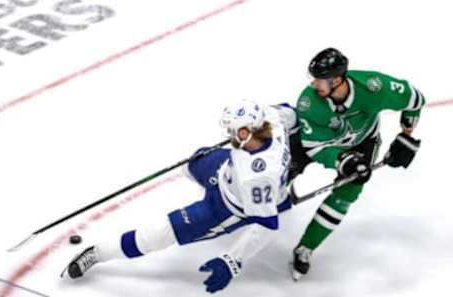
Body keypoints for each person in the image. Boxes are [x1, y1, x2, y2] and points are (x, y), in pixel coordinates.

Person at [61, 100, 297, 294]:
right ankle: (278, 194)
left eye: (231, 131)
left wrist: (232, 261)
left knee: (158, 235)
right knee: (190, 164)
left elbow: (267, 225)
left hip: (225, 208)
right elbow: (290, 112)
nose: (228, 134)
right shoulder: (272, 120)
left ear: (245, 133)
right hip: (224, 168)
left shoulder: (256, 176)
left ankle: (97, 253)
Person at [288, 48, 425, 281]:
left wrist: (407, 134)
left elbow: (415, 100)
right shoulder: (308, 102)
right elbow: (314, 147)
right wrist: (341, 160)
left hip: (362, 142)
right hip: (319, 141)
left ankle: (306, 247)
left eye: (320, 80)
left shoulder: (375, 87)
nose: (314, 85)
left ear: (338, 80)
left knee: (346, 194)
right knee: (283, 169)